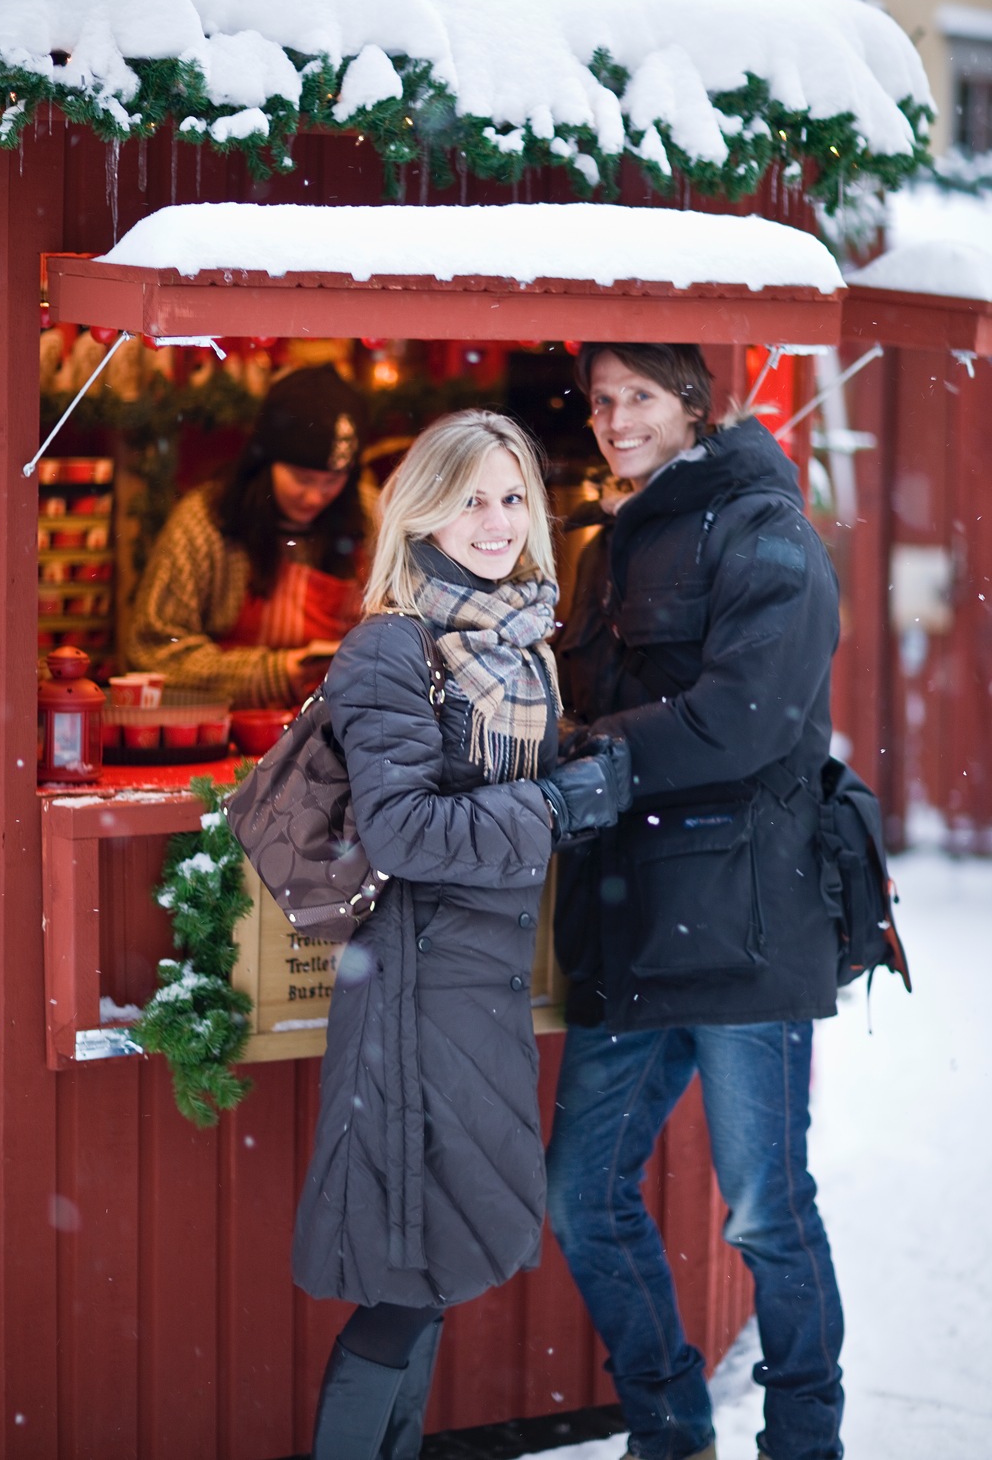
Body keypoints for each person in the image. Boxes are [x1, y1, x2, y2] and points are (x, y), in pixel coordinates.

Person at [289, 408, 632, 1460]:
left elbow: (477, 780)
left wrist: (580, 755)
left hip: (475, 985)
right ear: (423, 512)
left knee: (431, 1272)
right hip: (414, 985)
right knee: (406, 1276)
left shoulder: (516, 638)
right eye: (471, 497)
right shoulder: (393, 645)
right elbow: (402, 828)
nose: (496, 520)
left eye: (512, 495)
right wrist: (557, 808)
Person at [544, 344, 845, 1460]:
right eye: (601, 400)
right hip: (630, 922)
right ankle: (669, 1429)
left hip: (743, 923)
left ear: (692, 406)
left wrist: (597, 760)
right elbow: (574, 699)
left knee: (767, 1214)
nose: (615, 420)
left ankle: (803, 1440)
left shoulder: (763, 529)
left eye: (639, 398)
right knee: (580, 1197)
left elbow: (749, 717)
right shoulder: (600, 542)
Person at [126, 364, 368, 707]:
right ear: (265, 461)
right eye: (301, 478)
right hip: (231, 735)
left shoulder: (373, 519)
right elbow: (153, 652)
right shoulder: (206, 521)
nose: (315, 496)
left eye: (331, 482)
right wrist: (270, 673)